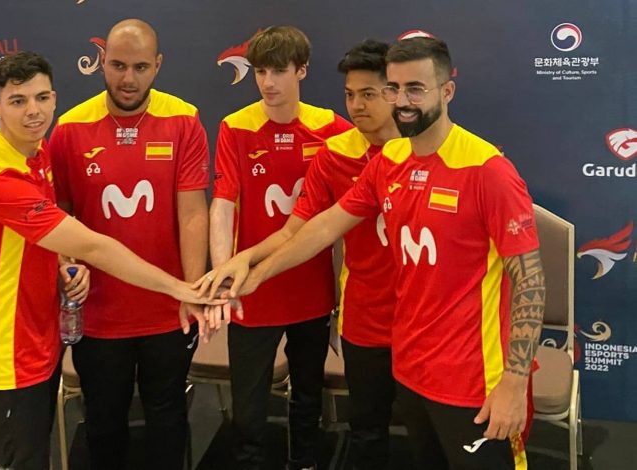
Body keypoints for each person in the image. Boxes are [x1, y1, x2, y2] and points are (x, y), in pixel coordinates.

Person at [203, 37, 545, 470]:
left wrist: (514, 380)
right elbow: (322, 226)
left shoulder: (488, 169)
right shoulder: (389, 161)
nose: (401, 101)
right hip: (411, 366)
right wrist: (255, 272)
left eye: (415, 89)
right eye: (394, 89)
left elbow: (530, 279)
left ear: (447, 91)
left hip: (475, 378)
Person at [0, 51, 220, 470]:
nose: (33, 111)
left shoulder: (37, 156)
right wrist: (181, 288)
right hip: (3, 354)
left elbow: (37, 240)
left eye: (41, 98)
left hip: (39, 341)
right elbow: (94, 247)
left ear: (54, 99)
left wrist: (61, 265)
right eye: (18, 101)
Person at [202, 39, 400, 469]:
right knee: (250, 411)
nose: (268, 82)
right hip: (255, 290)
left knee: (311, 399)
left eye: (279, 71)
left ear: (302, 71)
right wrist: (227, 270)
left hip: (315, 292)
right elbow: (228, 205)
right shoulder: (238, 127)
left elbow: (324, 226)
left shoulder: (335, 132)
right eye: (260, 72)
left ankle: (306, 462)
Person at [47, 19, 215, 470]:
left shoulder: (184, 119)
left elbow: (193, 212)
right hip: (99, 314)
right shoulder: (69, 128)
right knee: (104, 424)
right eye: (118, 65)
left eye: (140, 67)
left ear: (157, 65)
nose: (128, 78)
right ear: (102, 62)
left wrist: (191, 290)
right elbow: (57, 217)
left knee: (168, 418)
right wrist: (67, 267)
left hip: (167, 308)